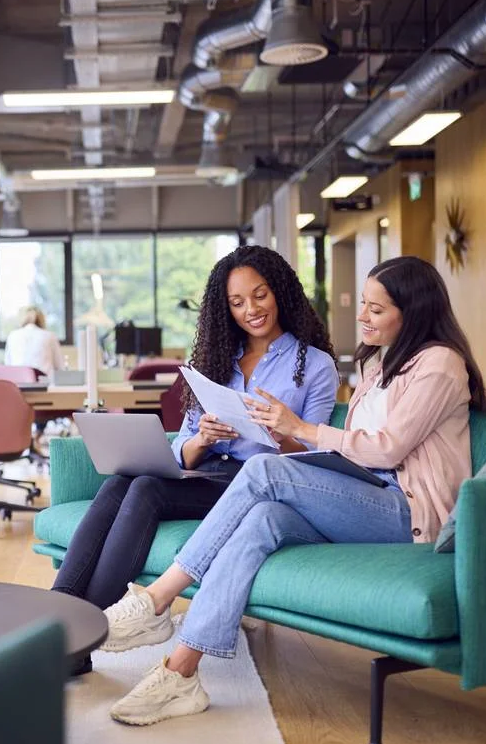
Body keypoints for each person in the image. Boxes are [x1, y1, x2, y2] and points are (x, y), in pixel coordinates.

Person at [100, 256, 486, 725]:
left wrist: (299, 429)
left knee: (267, 470)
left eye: (375, 309)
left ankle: (159, 598)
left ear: (414, 312)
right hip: (367, 495)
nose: (362, 316)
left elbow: (388, 450)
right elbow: (358, 454)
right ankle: (181, 673)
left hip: (409, 512)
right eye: (364, 305)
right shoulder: (381, 367)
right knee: (262, 517)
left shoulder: (439, 365)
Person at [50, 245, 338, 665]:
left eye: (259, 295)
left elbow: (314, 456)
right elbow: (181, 449)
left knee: (147, 488)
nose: (251, 310)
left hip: (256, 481)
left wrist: (279, 429)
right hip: (208, 472)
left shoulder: (314, 365)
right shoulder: (219, 360)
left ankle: (83, 636)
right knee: (118, 483)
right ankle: (56, 617)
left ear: (280, 292)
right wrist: (202, 438)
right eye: (237, 303)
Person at [4, 305, 63, 378]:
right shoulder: (49, 336)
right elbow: (60, 366)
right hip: (44, 384)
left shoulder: (12, 335)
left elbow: (8, 365)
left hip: (18, 383)